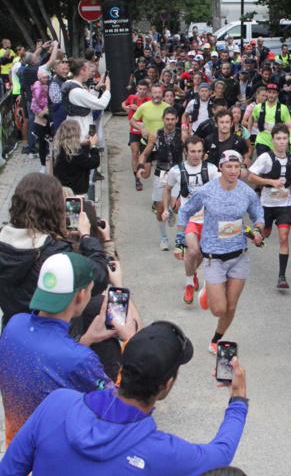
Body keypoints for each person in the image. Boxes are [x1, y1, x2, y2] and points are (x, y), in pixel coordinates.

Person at [0, 321, 249, 475]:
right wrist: (238, 399)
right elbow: (220, 455)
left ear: (121, 369)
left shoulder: (57, 403)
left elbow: (8, 470)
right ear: (166, 385)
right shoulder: (164, 453)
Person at [0, 252, 133, 445]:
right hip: (56, 459)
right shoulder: (80, 359)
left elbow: (49, 362)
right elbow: (120, 404)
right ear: (80, 295)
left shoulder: (13, 326)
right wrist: (130, 340)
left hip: (17, 448)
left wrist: (86, 339)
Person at [178, 150, 264, 354]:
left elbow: (258, 214)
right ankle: (209, 291)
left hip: (239, 255)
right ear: (220, 167)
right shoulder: (207, 191)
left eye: (237, 167)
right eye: (229, 167)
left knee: (231, 307)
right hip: (213, 257)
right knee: (218, 309)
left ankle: (216, 339)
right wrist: (180, 235)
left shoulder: (247, 192)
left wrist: (258, 230)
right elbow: (185, 210)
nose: (233, 171)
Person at [0, 173, 109, 330]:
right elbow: (98, 277)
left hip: (14, 332)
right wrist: (86, 236)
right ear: (54, 209)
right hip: (56, 336)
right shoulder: (57, 254)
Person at [163, 136, 220, 304]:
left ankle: (192, 273)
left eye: (199, 152)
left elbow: (222, 190)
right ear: (186, 152)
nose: (196, 155)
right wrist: (166, 209)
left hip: (208, 220)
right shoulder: (176, 171)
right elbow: (167, 190)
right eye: (193, 152)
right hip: (188, 219)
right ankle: (189, 284)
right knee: (193, 251)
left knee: (202, 253)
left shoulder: (211, 170)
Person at [248, 124, 291, 289]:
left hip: (285, 204)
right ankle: (256, 234)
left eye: (284, 138)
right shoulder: (265, 158)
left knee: (284, 237)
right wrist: (270, 182)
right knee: (264, 235)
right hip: (266, 204)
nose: (281, 142)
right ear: (273, 140)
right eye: (278, 138)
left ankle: (282, 276)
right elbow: (251, 176)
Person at [138, 107, 183, 251]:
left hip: (177, 172)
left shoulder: (182, 135)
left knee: (177, 207)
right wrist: (140, 166)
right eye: (167, 119)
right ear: (163, 119)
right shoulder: (156, 135)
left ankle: (170, 208)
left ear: (176, 120)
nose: (170, 122)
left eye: (172, 119)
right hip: (161, 173)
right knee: (159, 210)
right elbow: (145, 153)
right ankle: (164, 239)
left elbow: (190, 152)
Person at [52, 120, 101, 197]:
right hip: (76, 192)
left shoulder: (57, 149)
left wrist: (84, 144)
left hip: (61, 190)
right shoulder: (77, 154)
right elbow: (95, 162)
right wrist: (93, 146)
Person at [248, 82, 291, 156]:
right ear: (266, 93)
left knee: (275, 165)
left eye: (274, 93)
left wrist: (288, 141)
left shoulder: (283, 108)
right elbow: (251, 118)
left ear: (277, 94)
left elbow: (289, 125)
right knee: (263, 163)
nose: (271, 95)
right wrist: (249, 131)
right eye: (269, 92)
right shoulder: (258, 107)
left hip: (277, 141)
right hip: (262, 140)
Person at [122, 80, 151, 191]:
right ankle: (137, 180)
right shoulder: (132, 97)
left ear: (147, 90)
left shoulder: (149, 100)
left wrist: (137, 109)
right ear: (137, 88)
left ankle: (142, 168)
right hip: (134, 129)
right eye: (140, 89)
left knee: (144, 154)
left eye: (144, 89)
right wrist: (125, 107)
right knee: (134, 153)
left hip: (145, 129)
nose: (142, 91)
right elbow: (124, 103)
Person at [30, 69, 50, 172]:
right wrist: (41, 112)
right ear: (39, 78)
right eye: (44, 77)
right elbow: (35, 102)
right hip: (40, 118)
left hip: (48, 116)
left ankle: (50, 163)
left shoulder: (49, 85)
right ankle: (43, 165)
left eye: (47, 77)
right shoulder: (36, 87)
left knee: (51, 141)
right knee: (42, 142)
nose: (46, 79)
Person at [47, 59, 70, 135]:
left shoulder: (67, 80)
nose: (66, 71)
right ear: (56, 70)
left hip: (66, 115)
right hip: (58, 117)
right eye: (63, 69)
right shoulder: (54, 83)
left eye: (67, 69)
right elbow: (56, 100)